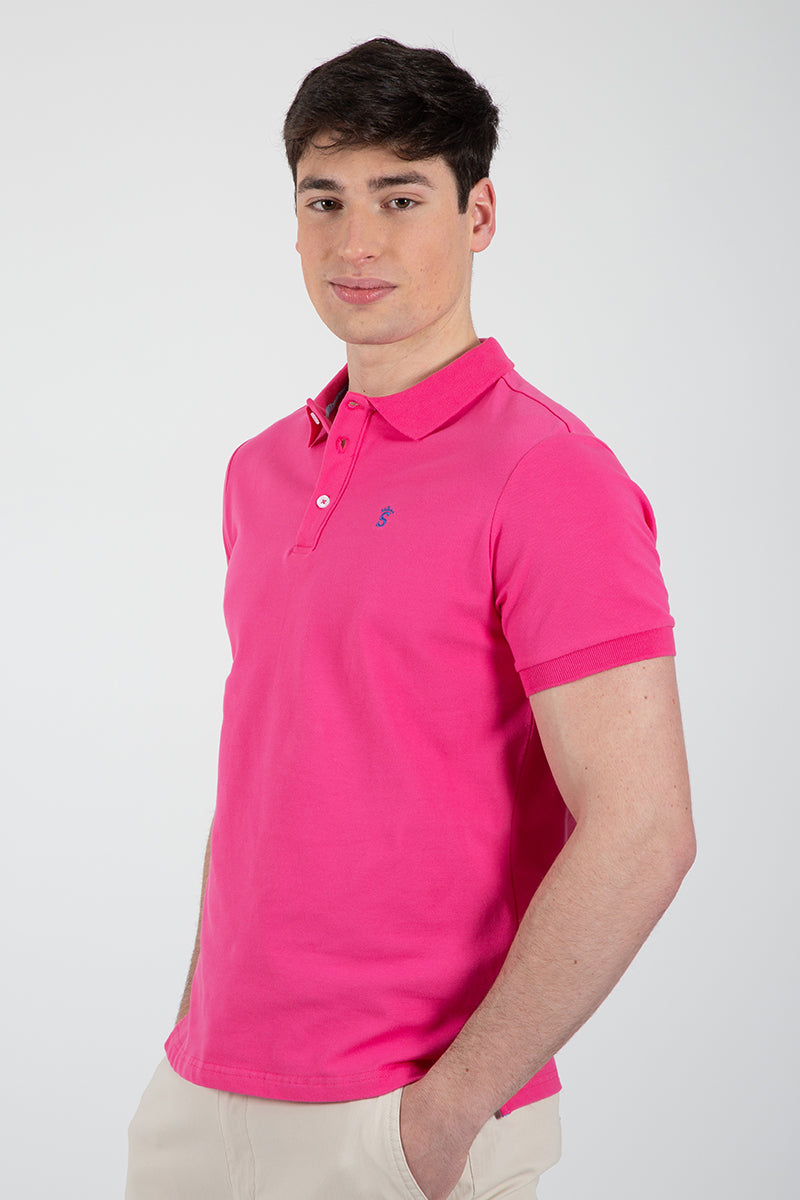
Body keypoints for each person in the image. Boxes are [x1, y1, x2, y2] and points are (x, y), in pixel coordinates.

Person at [126, 36, 695, 1200]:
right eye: (323, 199)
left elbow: (643, 829)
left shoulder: (548, 476)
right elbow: (269, 777)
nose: (356, 242)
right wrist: (190, 1030)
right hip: (201, 1102)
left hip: (398, 1121)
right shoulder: (258, 472)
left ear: (477, 214)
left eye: (399, 198)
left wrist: (446, 1112)